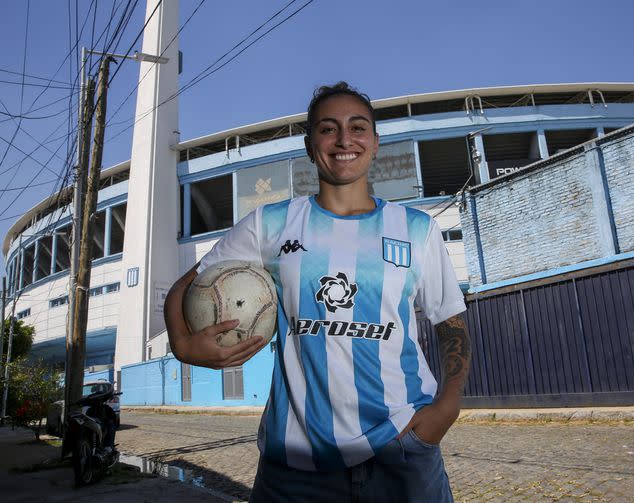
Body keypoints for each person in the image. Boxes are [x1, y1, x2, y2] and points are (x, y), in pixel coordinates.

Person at [164, 82, 471, 502]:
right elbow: (187, 285)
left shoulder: (417, 230)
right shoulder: (269, 225)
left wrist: (447, 407)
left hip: (401, 452)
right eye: (328, 129)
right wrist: (182, 345)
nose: (344, 139)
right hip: (294, 467)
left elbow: (451, 321)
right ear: (310, 145)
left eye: (358, 127)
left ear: (376, 143)